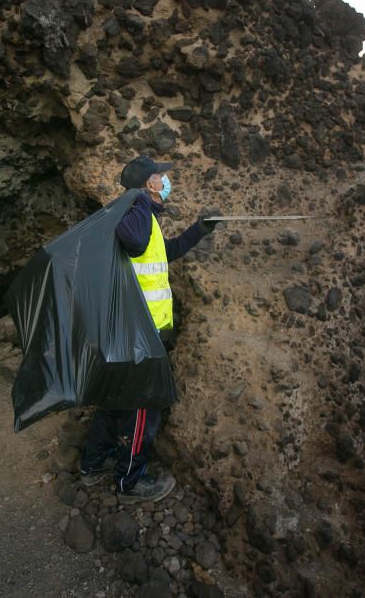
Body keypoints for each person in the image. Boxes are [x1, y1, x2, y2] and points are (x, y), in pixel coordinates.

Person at [79, 155, 220, 503]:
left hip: (129, 330)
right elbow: (134, 241)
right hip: (140, 333)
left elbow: (162, 253)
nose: (165, 181)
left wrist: (199, 230)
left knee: (115, 400)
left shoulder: (146, 218)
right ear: (148, 184)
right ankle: (131, 481)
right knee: (144, 405)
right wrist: (140, 203)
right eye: (160, 177)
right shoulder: (134, 213)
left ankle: (92, 463)